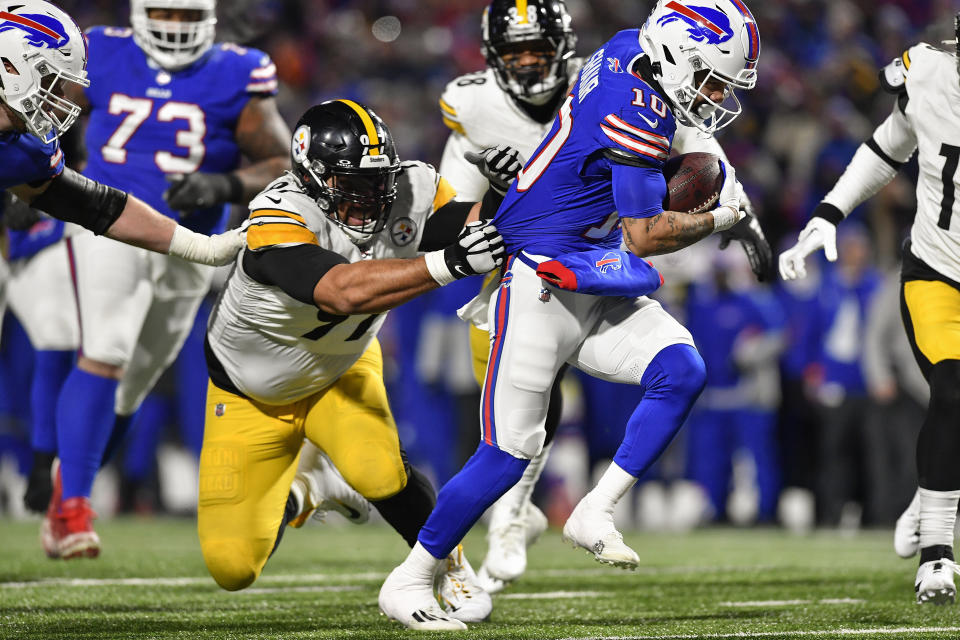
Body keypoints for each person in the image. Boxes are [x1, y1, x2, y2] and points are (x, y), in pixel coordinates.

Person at [379, 0, 768, 630]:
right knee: (507, 454)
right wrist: (725, 216)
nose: (716, 95)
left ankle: (595, 510)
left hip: (590, 265)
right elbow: (644, 234)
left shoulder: (626, 49)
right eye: (712, 79)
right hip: (537, 277)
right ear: (676, 56)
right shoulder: (633, 105)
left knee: (682, 369)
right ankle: (412, 576)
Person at [201, 100, 512, 625]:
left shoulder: (412, 188)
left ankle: (450, 564)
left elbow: (471, 226)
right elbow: (341, 292)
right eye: (351, 183)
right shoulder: (277, 216)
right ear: (311, 179)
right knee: (233, 568)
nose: (369, 197)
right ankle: (310, 491)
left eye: (377, 182)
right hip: (251, 393)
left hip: (339, 369)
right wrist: (451, 263)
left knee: (379, 470)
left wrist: (506, 192)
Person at [31, 0, 290, 561]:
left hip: (191, 242)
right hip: (106, 223)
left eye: (186, 15)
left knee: (137, 379)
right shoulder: (101, 49)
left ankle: (62, 491)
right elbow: (48, 121)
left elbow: (280, 162)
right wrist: (36, 187)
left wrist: (222, 186)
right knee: (108, 348)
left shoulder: (237, 69)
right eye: (165, 14)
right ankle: (74, 504)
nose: (175, 26)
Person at [778, 14, 960, 604]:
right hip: (938, 274)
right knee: (954, 391)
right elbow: (887, 147)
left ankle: (929, 492)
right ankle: (937, 555)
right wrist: (829, 213)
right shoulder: (931, 73)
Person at [0, 0, 243, 261]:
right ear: (9, 66)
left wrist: (200, 247)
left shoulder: (27, 150)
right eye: (50, 81)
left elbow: (97, 206)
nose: (59, 98)